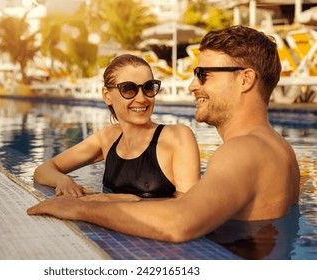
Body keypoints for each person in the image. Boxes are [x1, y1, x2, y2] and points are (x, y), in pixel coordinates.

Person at [27, 25, 300, 243]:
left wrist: (79, 208)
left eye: (203, 74)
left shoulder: (243, 151)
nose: (193, 86)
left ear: (245, 79)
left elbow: (179, 224)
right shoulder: (279, 147)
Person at [33, 53, 201, 199]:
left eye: (148, 87)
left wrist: (122, 201)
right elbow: (43, 170)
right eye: (129, 89)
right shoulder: (108, 138)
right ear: (107, 96)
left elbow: (189, 208)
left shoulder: (177, 136)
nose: (142, 98)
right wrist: (63, 180)